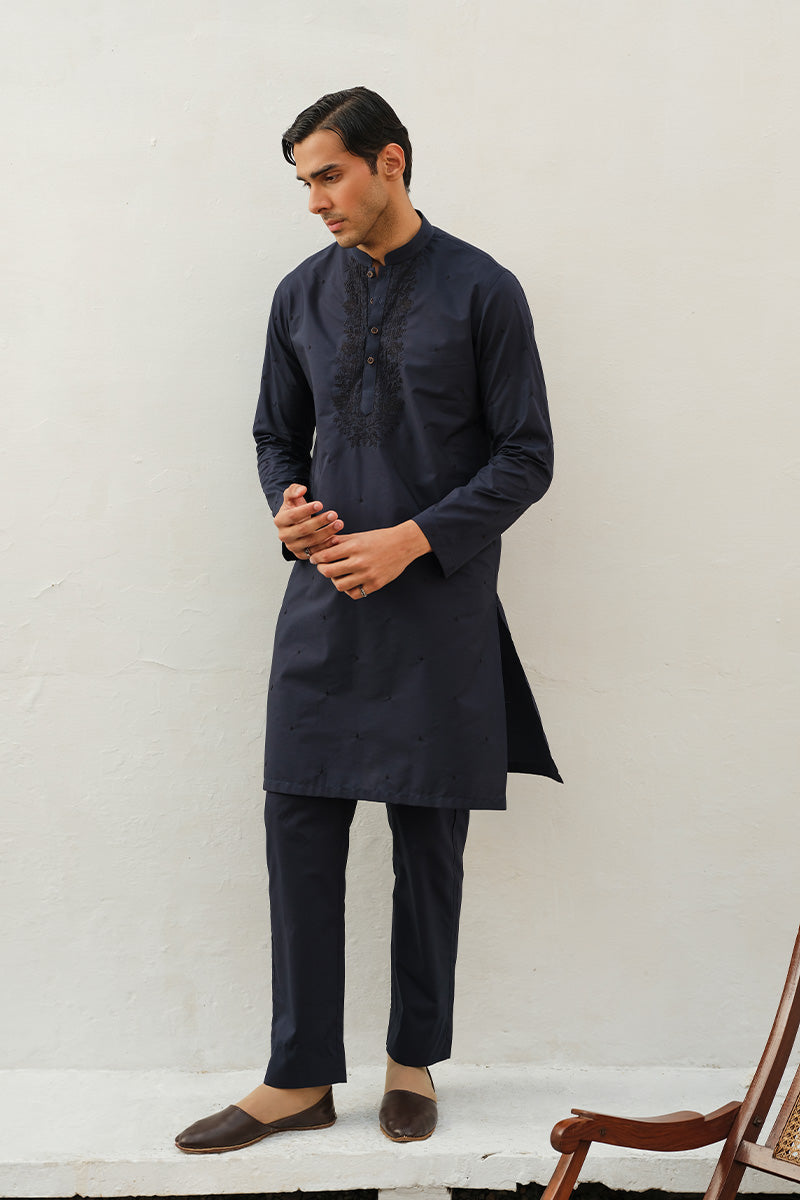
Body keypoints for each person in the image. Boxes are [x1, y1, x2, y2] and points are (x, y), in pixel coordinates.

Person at [175, 85, 560, 1156]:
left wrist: (414, 538)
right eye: (303, 182)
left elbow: (526, 455)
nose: (314, 201)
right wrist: (287, 509)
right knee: (297, 822)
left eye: (328, 175)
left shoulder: (483, 289)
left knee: (426, 841)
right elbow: (274, 434)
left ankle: (411, 1063)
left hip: (437, 607)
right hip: (325, 604)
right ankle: (297, 1075)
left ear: (390, 160)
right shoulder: (299, 294)